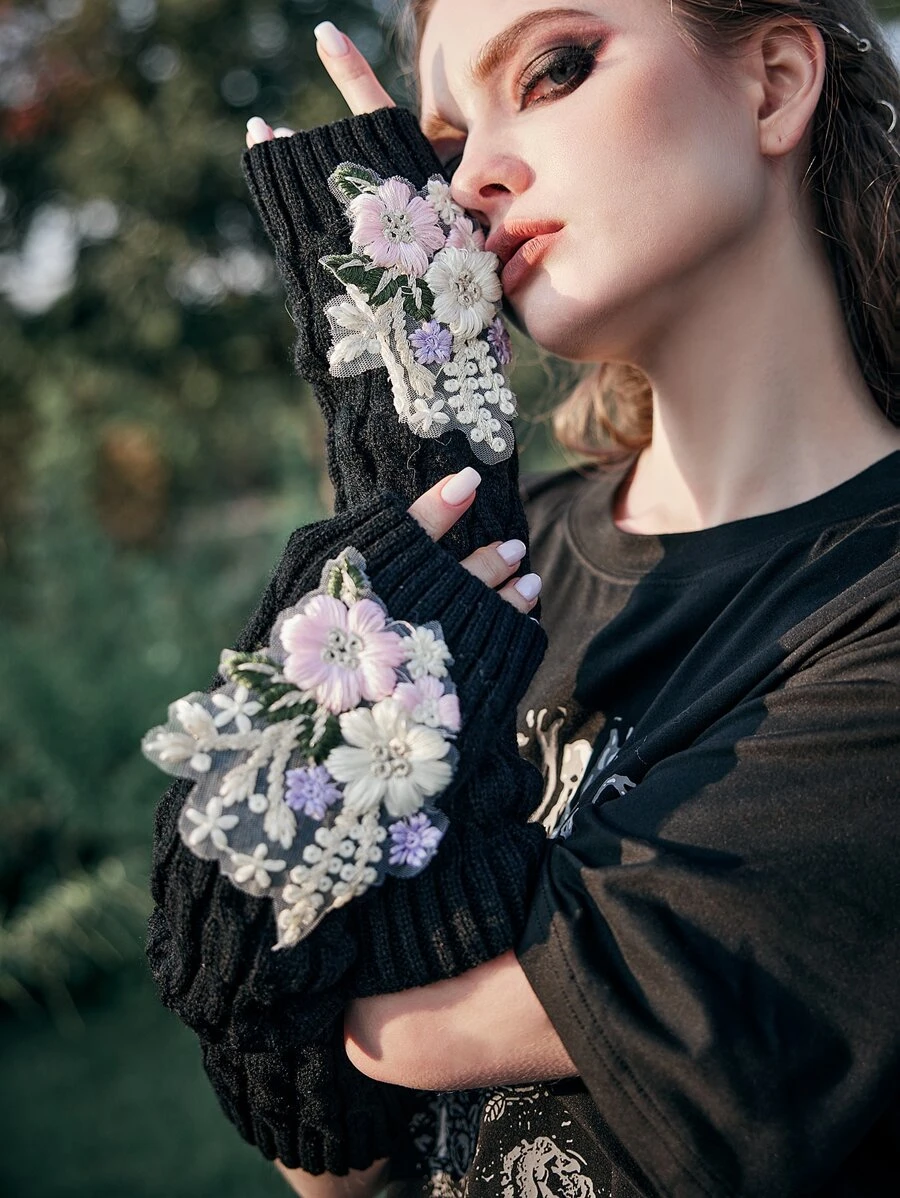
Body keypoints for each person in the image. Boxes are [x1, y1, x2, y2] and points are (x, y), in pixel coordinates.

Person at [148, 2, 900, 1195]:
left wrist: (275, 924)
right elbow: (344, 1171)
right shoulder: (492, 560)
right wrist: (414, 491)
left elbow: (450, 1025)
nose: (467, 185)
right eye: (443, 148)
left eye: (552, 70)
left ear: (771, 79)